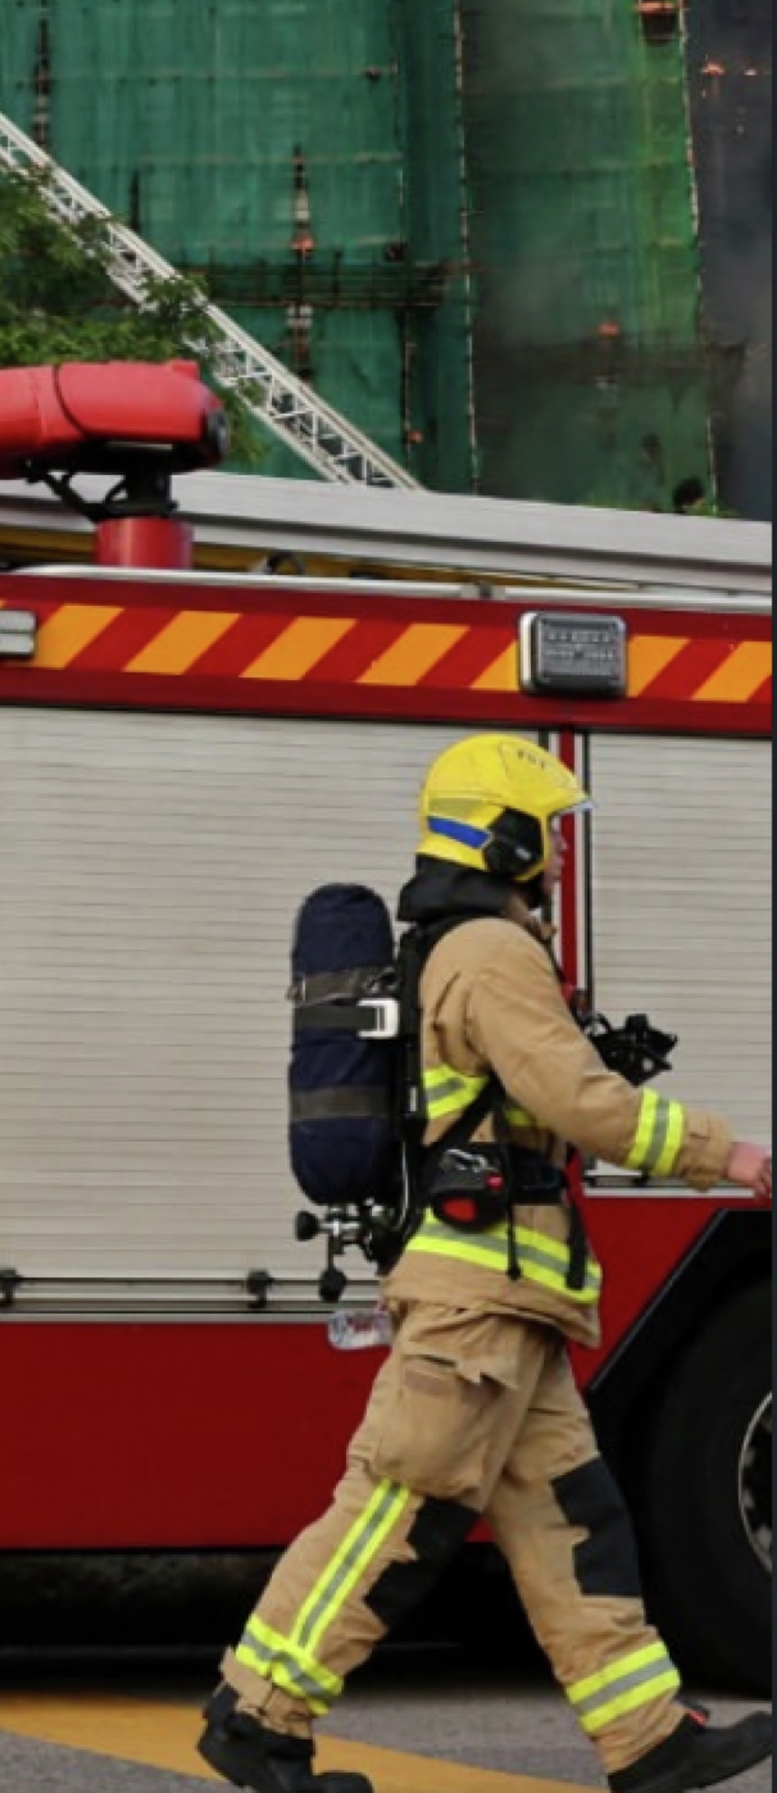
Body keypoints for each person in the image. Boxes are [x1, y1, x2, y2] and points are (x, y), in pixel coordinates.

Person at [202, 735, 774, 1793]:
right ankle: (258, 1713)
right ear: (501, 834)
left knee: (572, 1521)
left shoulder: (463, 948)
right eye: (542, 830)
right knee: (398, 1506)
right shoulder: (490, 950)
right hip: (478, 1298)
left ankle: (646, 1734)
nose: (552, 853)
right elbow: (583, 1106)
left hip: (515, 1296)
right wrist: (727, 1152)